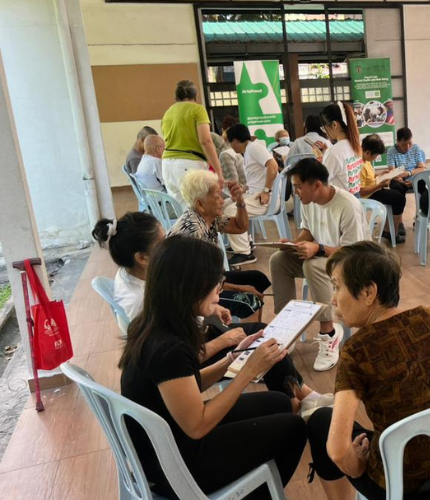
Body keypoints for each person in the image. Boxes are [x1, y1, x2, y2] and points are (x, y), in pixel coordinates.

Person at [306, 241, 430, 500]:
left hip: (404, 485)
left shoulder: (357, 351)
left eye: (336, 286)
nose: (333, 298)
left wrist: (358, 466)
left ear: (368, 292)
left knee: (320, 419)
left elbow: (339, 452)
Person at [118, 235, 307, 499]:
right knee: (294, 430)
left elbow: (187, 383)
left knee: (279, 402)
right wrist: (249, 371)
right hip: (174, 465)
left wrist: (233, 359)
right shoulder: (168, 347)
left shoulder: (155, 323)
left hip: (168, 440)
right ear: (189, 287)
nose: (219, 291)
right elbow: (198, 425)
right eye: (215, 283)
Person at [92, 212, 333, 419]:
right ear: (141, 258)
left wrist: (231, 354)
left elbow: (190, 373)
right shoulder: (159, 331)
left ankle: (299, 399)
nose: (220, 199)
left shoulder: (157, 286)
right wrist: (230, 349)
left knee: (261, 342)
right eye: (162, 241)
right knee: (263, 353)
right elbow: (196, 420)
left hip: (180, 393)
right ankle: (297, 404)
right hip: (180, 434)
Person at [269, 158, 367, 372]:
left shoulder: (347, 205)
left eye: (298, 187)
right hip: (321, 256)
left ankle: (329, 332)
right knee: (279, 260)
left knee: (312, 266)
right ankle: (287, 328)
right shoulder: (309, 203)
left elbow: (356, 251)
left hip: (348, 263)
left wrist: (319, 248)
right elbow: (309, 231)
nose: (295, 192)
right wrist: (293, 244)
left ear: (316, 185)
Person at [168, 170, 270, 323]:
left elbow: (239, 226)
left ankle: (245, 329)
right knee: (250, 301)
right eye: (217, 196)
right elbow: (200, 284)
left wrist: (240, 202)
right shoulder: (194, 233)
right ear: (200, 203)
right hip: (191, 296)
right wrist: (240, 288)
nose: (222, 201)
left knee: (257, 279)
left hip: (209, 281)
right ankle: (245, 342)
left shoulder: (208, 217)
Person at [225, 123, 280, 266]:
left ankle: (244, 253)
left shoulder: (254, 148)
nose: (230, 146)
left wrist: (267, 191)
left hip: (266, 198)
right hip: (257, 194)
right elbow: (257, 178)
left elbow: (273, 166)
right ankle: (243, 241)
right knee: (224, 205)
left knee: (231, 210)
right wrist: (243, 189)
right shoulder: (248, 151)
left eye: (230, 142)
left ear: (235, 141)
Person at [161, 80, 223, 206]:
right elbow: (205, 140)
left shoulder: (168, 112)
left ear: (176, 97)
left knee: (181, 210)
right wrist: (219, 172)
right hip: (189, 164)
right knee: (199, 209)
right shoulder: (197, 109)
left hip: (167, 164)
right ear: (195, 96)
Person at [358, 134, 406, 243]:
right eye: (375, 156)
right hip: (369, 196)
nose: (375, 158)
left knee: (397, 195)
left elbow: (369, 177)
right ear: (368, 152)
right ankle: (392, 232)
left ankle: (388, 229)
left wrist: (380, 175)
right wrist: (380, 185)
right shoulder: (360, 165)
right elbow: (361, 191)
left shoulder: (365, 160)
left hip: (375, 189)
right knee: (399, 199)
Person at [319, 102, 363, 195]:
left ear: (334, 125)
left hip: (342, 204)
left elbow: (320, 182)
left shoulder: (334, 152)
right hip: (356, 197)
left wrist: (320, 156)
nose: (326, 132)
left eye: (324, 128)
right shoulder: (355, 144)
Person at [211, 132, 247, 201]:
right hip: (243, 190)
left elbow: (233, 181)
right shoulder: (230, 151)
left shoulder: (224, 155)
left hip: (240, 193)